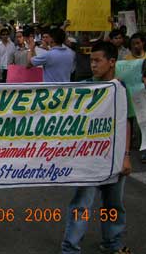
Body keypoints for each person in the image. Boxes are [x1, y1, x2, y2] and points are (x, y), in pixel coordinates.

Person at [61, 42, 132, 254]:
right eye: (91, 61)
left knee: (113, 205)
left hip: (114, 157)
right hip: (88, 159)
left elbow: (126, 122)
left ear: (112, 62)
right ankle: (70, 248)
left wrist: (126, 156)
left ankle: (112, 243)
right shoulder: (84, 88)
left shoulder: (120, 88)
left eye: (97, 60)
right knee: (81, 204)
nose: (93, 65)